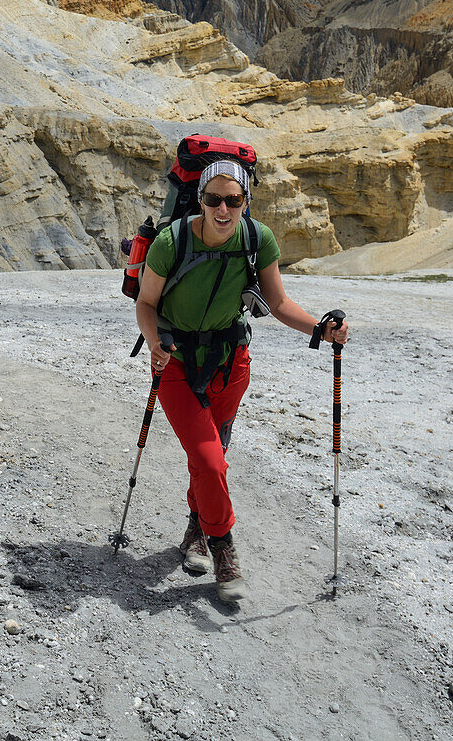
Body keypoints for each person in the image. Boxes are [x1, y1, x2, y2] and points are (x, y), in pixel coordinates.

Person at [135, 159, 349, 600]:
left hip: (232, 365)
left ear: (246, 202)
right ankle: (223, 548)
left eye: (234, 200)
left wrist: (319, 330)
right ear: (200, 200)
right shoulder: (169, 242)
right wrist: (154, 342)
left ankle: (195, 530)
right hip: (175, 365)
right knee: (211, 460)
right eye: (214, 199)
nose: (223, 209)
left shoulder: (258, 238)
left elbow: (278, 301)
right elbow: (145, 303)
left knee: (211, 457)